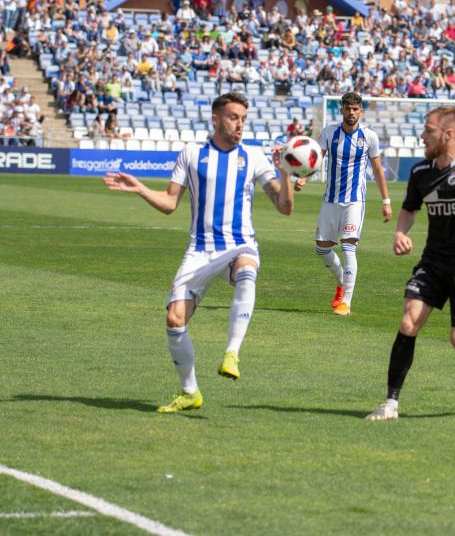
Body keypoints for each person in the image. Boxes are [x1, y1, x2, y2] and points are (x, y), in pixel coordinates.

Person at [103, 92, 294, 413]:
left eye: (243, 119)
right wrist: (139, 189)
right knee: (175, 320)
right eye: (233, 117)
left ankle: (232, 353)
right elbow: (169, 203)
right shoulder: (191, 154)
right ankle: (190, 392)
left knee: (247, 270)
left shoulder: (255, 157)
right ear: (216, 119)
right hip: (201, 248)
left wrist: (286, 173)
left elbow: (284, 207)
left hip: (239, 243)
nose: (239, 125)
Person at [366, 105, 455, 421]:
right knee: (409, 321)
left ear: (448, 134)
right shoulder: (421, 172)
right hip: (433, 261)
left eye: (428, 130)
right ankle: (391, 404)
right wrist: (400, 232)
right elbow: (410, 210)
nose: (422, 135)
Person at [295, 92, 391, 316]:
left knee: (349, 248)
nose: (351, 113)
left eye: (356, 109)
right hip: (330, 199)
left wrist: (386, 201)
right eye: (348, 109)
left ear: (361, 111)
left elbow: (377, 170)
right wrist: (304, 178)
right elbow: (316, 160)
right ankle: (342, 282)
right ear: (341, 110)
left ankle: (346, 302)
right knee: (322, 249)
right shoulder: (329, 133)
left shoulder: (369, 137)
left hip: (354, 201)